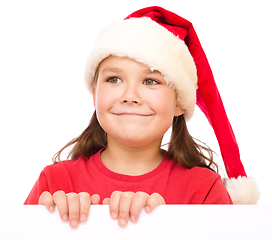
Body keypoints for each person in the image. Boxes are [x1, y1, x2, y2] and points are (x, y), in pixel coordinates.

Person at [24, 6, 259, 229]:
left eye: (151, 81)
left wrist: (166, 226)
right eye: (114, 79)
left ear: (179, 102)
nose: (130, 96)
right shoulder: (54, 185)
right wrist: (56, 227)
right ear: (95, 94)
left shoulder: (205, 190)